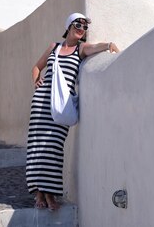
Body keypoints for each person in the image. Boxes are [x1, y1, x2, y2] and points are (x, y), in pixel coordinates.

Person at [26, 12, 120, 211]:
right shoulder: (54, 47)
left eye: (85, 26)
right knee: (37, 146)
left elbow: (95, 47)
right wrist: (37, 80)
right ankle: (40, 193)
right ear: (69, 25)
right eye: (78, 24)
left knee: (53, 147)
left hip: (61, 106)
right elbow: (36, 67)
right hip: (41, 102)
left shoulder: (81, 48)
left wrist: (109, 45)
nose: (81, 28)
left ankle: (50, 194)